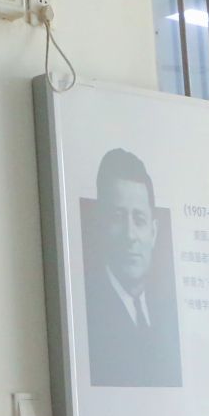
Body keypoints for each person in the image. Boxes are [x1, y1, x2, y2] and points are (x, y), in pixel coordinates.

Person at [83, 146, 182, 388]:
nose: (130, 235)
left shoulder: (169, 313)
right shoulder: (88, 311)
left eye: (139, 220)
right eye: (118, 217)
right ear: (101, 225)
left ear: (153, 232)